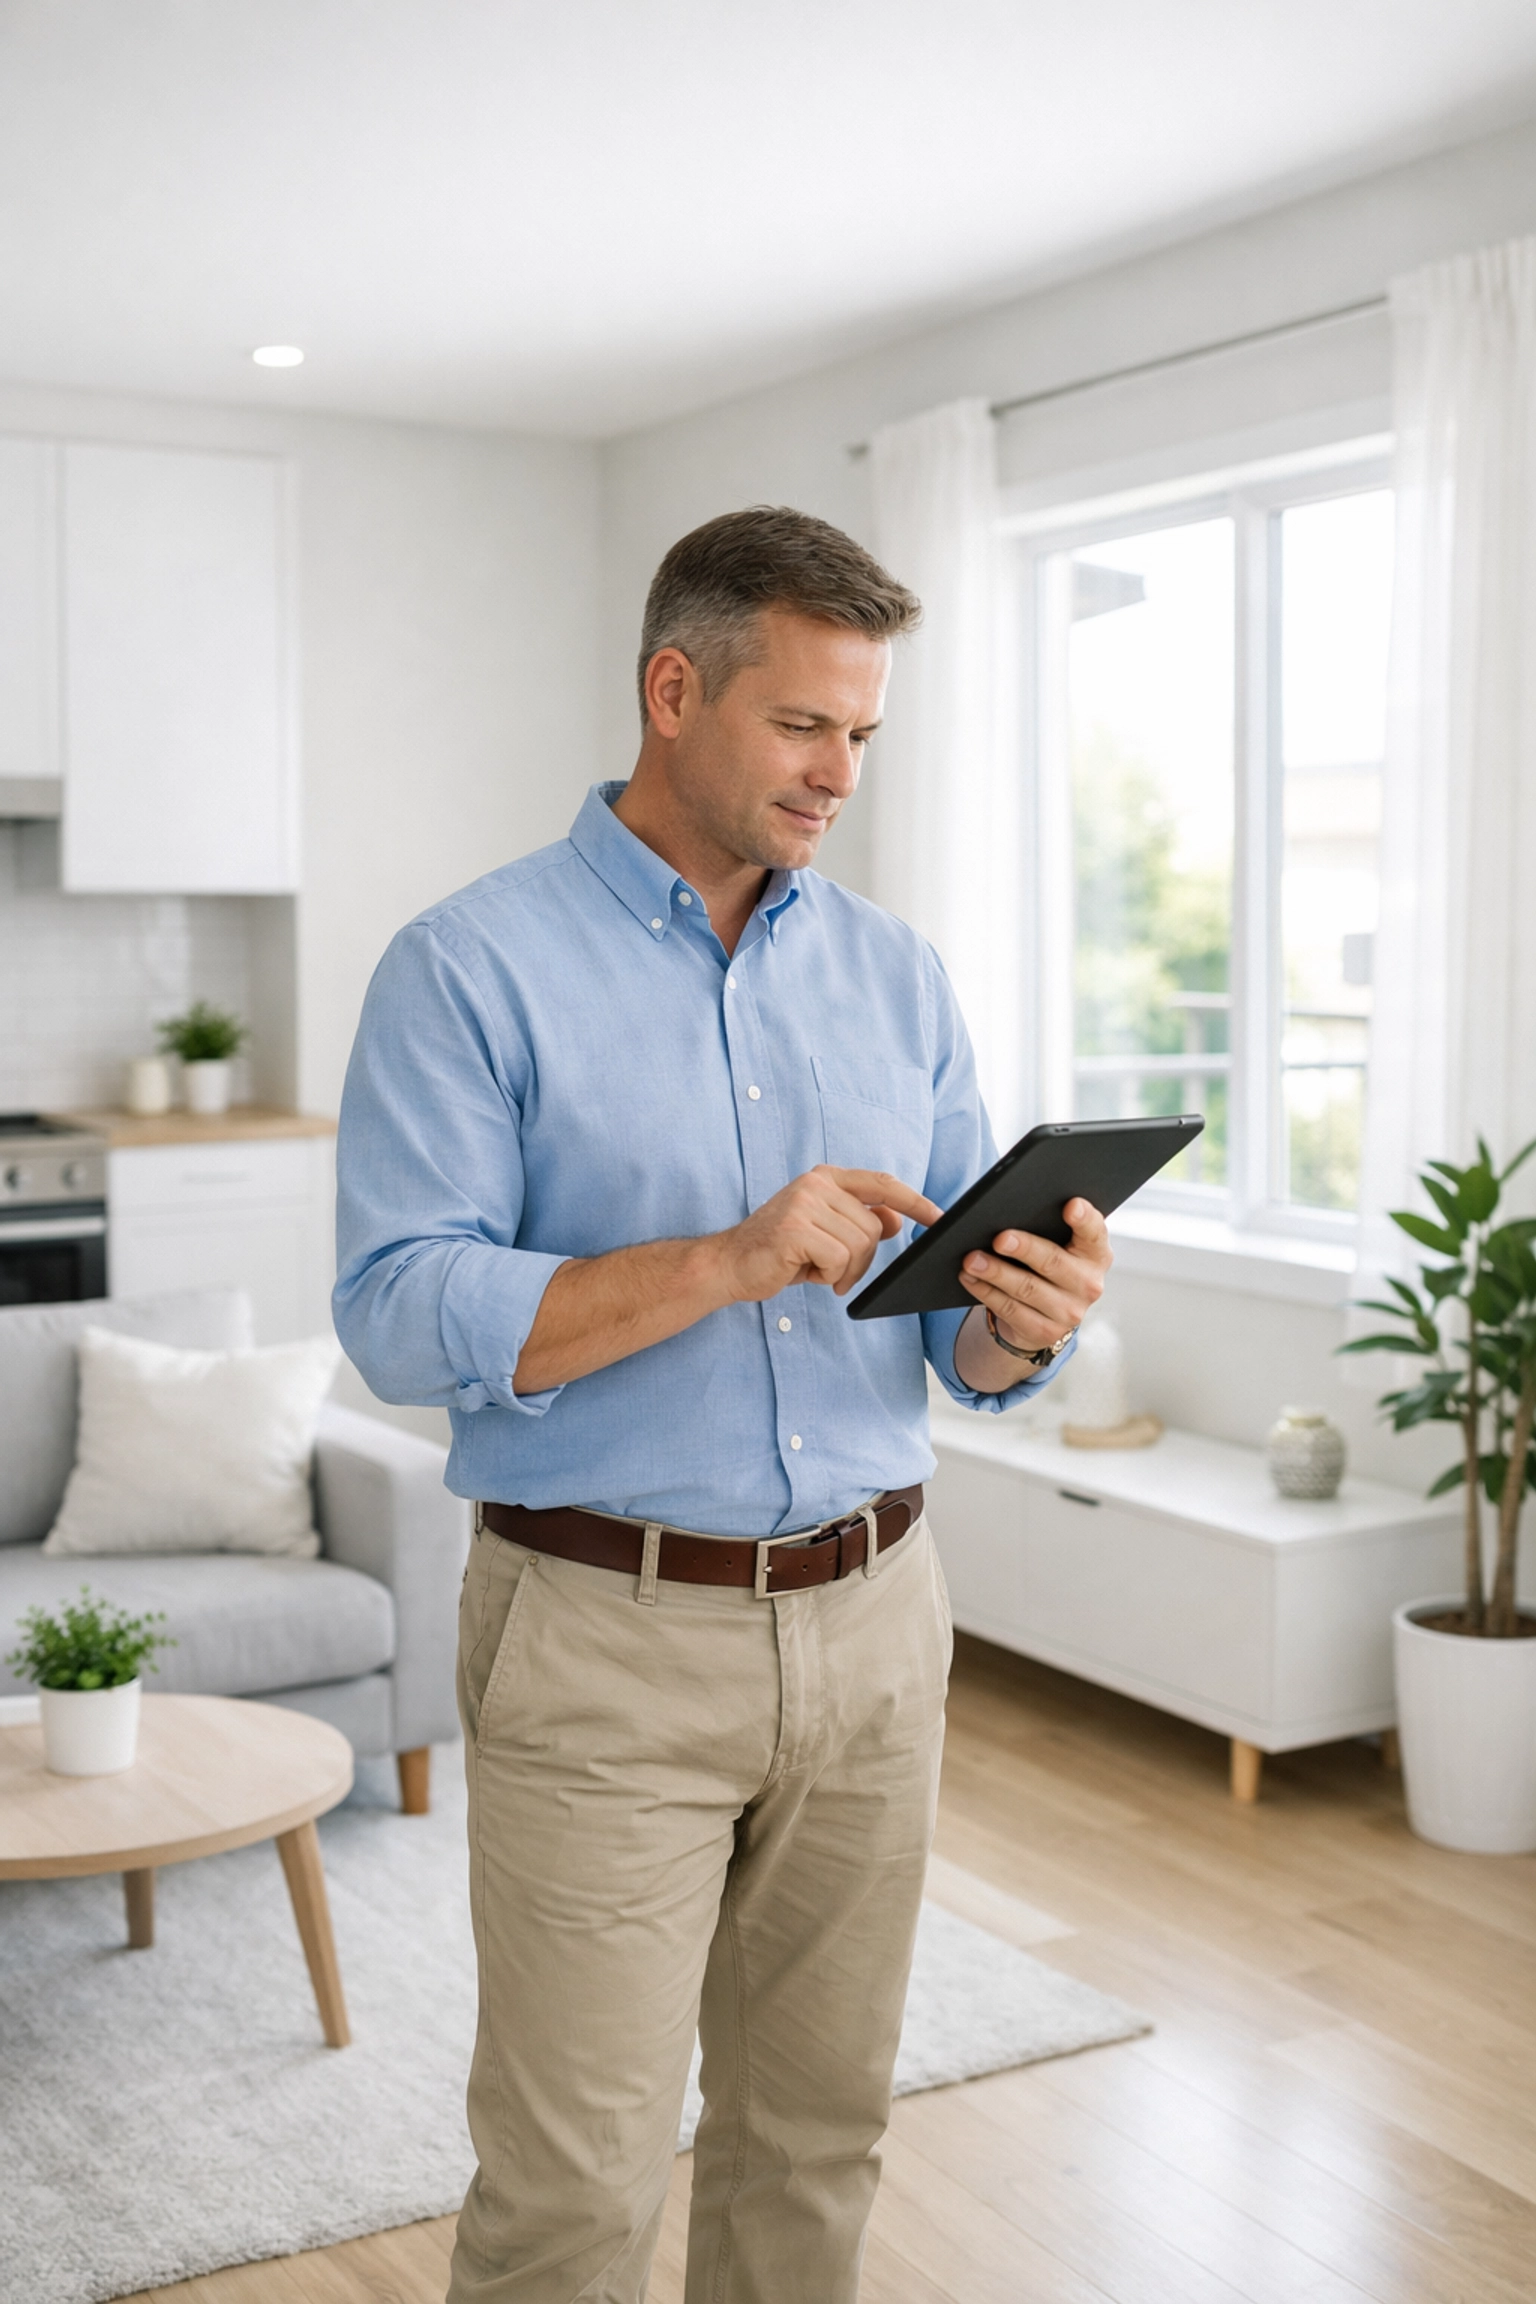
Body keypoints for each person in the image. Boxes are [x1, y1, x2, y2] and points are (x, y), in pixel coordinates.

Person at [333, 505, 1110, 2304]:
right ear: (674, 691)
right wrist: (724, 1257)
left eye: (864, 735)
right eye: (802, 725)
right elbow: (392, 1314)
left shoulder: (896, 974)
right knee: (575, 2193)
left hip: (879, 1622)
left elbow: (957, 1356)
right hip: (603, 1638)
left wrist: (1023, 1317)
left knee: (817, 2141)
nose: (841, 774)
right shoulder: (467, 968)